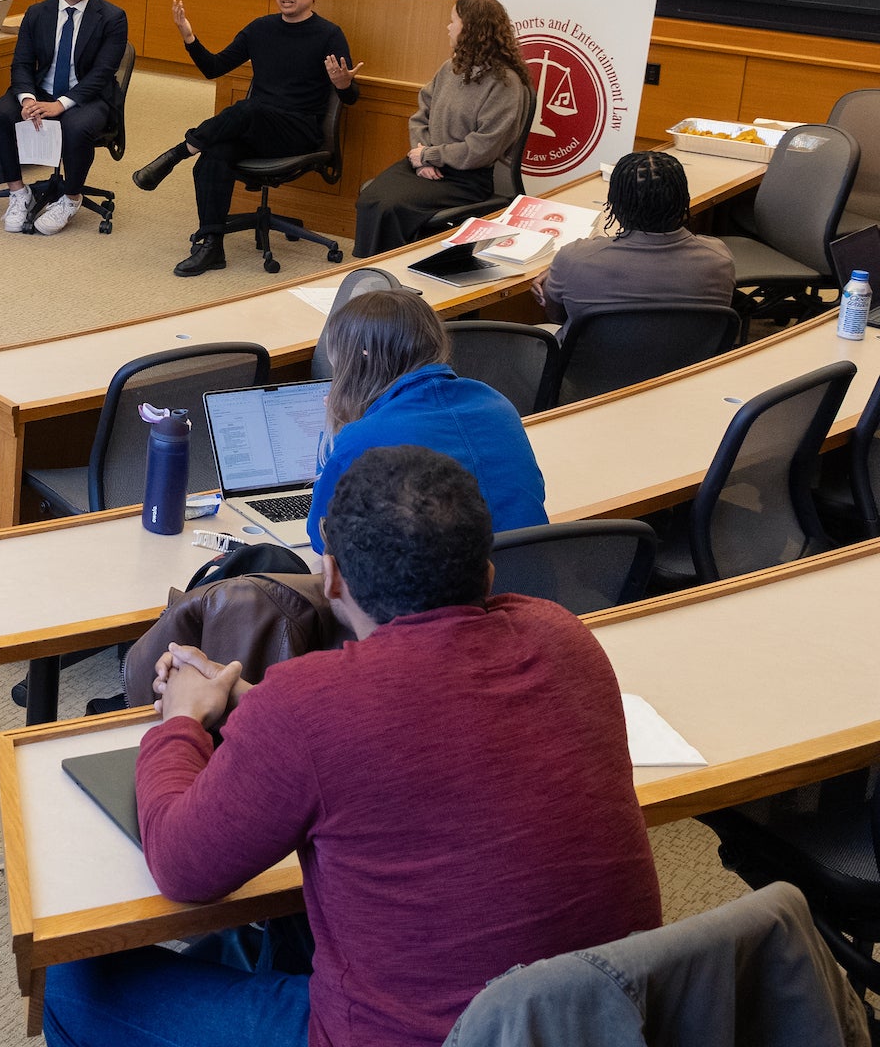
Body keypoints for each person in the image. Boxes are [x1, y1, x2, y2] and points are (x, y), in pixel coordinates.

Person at [44, 444, 659, 1047]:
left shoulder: (310, 707)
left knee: (74, 986)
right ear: (489, 571)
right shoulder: (565, 638)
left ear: (331, 579)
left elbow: (181, 866)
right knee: (290, 928)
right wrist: (252, 708)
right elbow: (415, 727)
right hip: (596, 1021)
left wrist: (178, 720)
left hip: (411, 1036)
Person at [133, 0, 361, 277]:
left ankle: (178, 152)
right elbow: (213, 68)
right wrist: (189, 37)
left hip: (299, 130)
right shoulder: (260, 28)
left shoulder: (328, 35)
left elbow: (350, 97)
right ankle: (211, 245)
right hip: (257, 127)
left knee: (247, 108)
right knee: (215, 152)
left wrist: (343, 84)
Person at [304, 286, 546, 553]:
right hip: (532, 577)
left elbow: (323, 540)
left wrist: (336, 427)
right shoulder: (496, 402)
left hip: (453, 590)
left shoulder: (362, 436)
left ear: (360, 357)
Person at [353, 0, 529, 256]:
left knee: (389, 207)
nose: (448, 27)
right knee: (371, 198)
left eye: (453, 21)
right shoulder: (450, 69)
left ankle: (388, 279)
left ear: (471, 29)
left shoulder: (505, 84)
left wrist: (431, 155)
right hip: (425, 163)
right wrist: (422, 158)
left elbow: (483, 147)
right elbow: (421, 115)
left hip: (465, 178)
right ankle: (370, 274)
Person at [0, 0, 129, 237]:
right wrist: (28, 99)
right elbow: (22, 63)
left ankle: (71, 198)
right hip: (40, 91)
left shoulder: (112, 17)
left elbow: (101, 74)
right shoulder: (38, 13)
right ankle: (18, 192)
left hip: (89, 96)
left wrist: (61, 105)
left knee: (75, 127)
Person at [537, 149, 734, 327]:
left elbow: (557, 317)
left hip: (595, 364)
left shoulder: (574, 259)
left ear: (615, 206)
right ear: (684, 202)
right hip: (691, 364)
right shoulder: (719, 258)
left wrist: (555, 275)